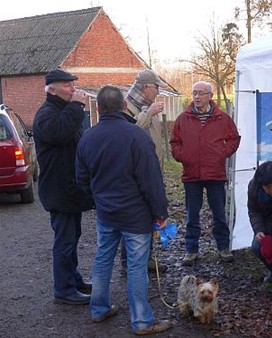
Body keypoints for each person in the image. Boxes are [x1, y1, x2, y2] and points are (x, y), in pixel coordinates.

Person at [76, 85, 173, 335]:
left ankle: (98, 309)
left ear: (98, 108)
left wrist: (98, 200)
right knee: (136, 267)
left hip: (106, 213)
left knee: (102, 260)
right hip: (135, 215)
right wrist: (160, 212)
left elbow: (81, 178)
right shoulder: (136, 136)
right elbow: (151, 179)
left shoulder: (88, 136)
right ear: (122, 106)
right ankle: (141, 321)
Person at [32, 68, 94, 305]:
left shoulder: (61, 111)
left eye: (73, 85)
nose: (73, 89)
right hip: (59, 189)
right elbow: (60, 133)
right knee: (65, 240)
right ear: (52, 89)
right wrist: (77, 107)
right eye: (68, 86)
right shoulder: (46, 114)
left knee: (73, 235)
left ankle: (73, 279)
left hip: (69, 188)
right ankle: (64, 289)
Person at [170, 81, 241, 266]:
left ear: (210, 96)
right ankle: (191, 250)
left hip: (215, 174)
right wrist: (181, 155)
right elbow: (174, 142)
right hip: (191, 175)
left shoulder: (222, 118)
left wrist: (222, 153)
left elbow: (234, 138)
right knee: (192, 214)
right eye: (194, 93)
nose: (197, 97)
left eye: (201, 93)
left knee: (219, 213)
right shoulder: (183, 119)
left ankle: (223, 248)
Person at [120, 68, 168, 274]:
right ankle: (128, 262)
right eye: (156, 87)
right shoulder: (125, 108)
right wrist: (147, 115)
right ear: (146, 87)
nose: (158, 91)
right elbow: (129, 136)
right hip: (135, 175)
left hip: (151, 170)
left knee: (150, 216)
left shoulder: (149, 106)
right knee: (133, 220)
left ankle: (146, 257)